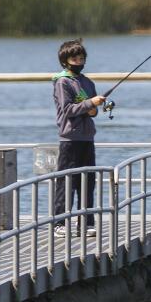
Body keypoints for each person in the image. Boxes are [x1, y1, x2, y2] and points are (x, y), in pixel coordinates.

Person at [52, 39, 106, 236]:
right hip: (70, 139)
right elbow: (67, 110)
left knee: (87, 182)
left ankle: (86, 222)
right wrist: (90, 102)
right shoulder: (62, 82)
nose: (79, 61)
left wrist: (94, 109)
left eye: (82, 58)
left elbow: (91, 111)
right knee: (67, 182)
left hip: (87, 138)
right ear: (65, 61)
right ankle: (60, 223)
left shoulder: (87, 82)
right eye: (75, 58)